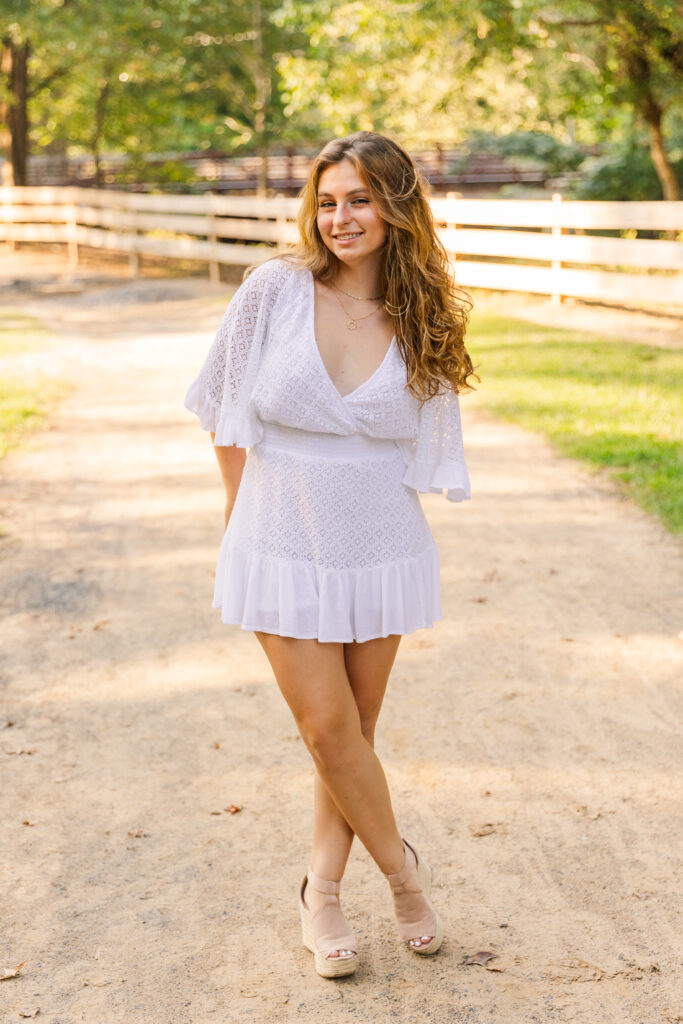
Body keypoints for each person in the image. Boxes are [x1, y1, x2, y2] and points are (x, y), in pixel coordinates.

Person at [184, 131, 475, 979]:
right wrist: (238, 517)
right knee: (323, 728)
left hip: (378, 537)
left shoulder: (423, 313)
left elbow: (425, 439)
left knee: (354, 731)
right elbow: (221, 407)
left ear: (394, 205)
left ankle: (321, 891)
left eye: (357, 199)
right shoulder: (274, 289)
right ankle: (403, 877)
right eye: (326, 200)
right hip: (277, 531)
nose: (339, 217)